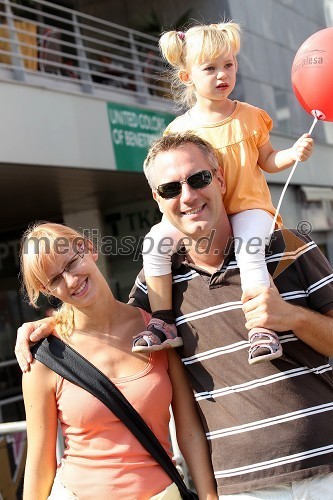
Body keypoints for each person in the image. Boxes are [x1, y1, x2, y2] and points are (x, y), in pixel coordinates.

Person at [16, 134, 333, 498]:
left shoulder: (291, 246)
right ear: (158, 200)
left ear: (220, 178)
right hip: (242, 485)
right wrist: (50, 326)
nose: (187, 196)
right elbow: (103, 317)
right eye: (170, 188)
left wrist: (292, 317)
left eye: (197, 179)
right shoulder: (157, 284)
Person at [132, 21, 314, 366]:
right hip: (200, 215)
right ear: (187, 76)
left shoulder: (250, 117)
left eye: (228, 65)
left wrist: (292, 155)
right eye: (210, 68)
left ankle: (262, 327)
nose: (222, 75)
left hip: (248, 208)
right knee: (153, 243)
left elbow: (268, 160)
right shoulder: (180, 129)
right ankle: (163, 320)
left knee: (249, 251)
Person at [19, 221, 217, 500]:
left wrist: (209, 495)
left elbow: (189, 430)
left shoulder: (158, 332)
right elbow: (39, 461)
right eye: (55, 279)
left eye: (72, 263)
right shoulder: (44, 358)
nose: (71, 280)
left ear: (88, 248)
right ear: (46, 289)